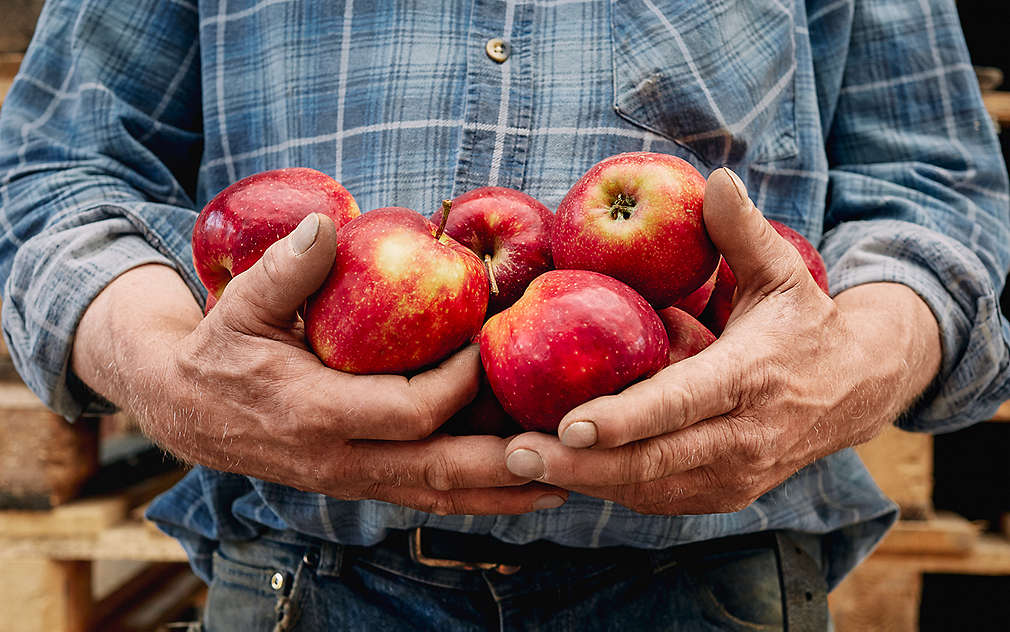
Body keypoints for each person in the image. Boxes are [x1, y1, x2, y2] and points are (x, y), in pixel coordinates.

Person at [1, 0, 1008, 629]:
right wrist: (164, 371)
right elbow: (57, 173)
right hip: (300, 580)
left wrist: (849, 364)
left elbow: (929, 193)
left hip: (707, 584)